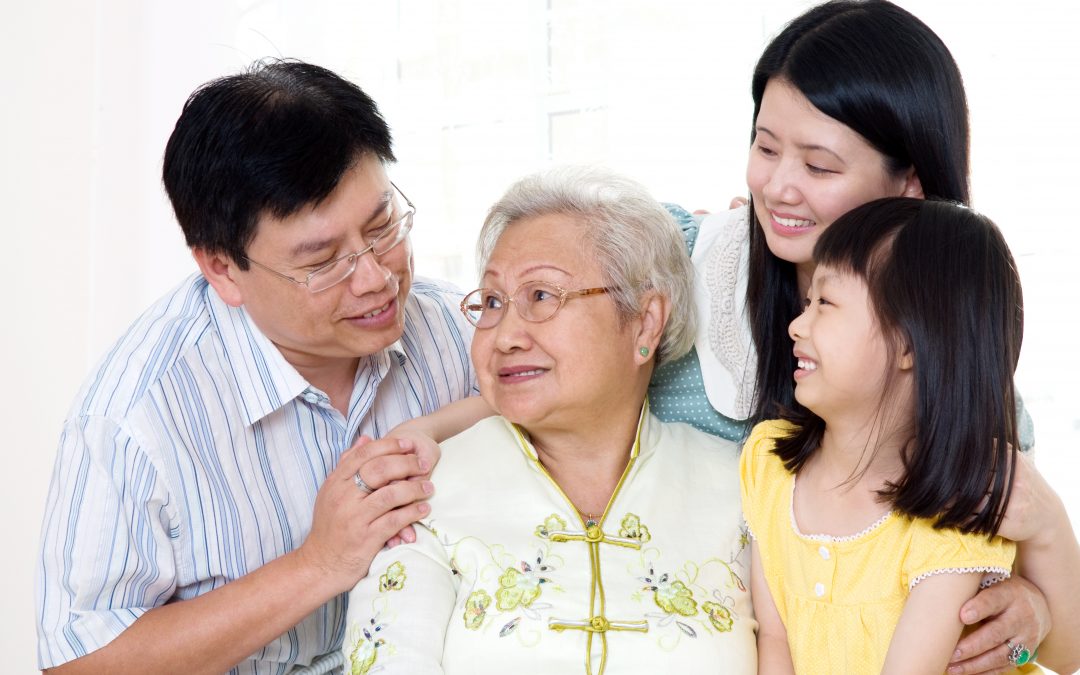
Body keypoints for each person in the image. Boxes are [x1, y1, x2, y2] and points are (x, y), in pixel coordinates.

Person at [646, 1, 1080, 671]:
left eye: (819, 166)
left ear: (911, 188)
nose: (778, 187)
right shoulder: (677, 263)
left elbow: (1059, 645)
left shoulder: (952, 376)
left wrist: (1035, 595)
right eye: (764, 147)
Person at [36, 60, 477, 674]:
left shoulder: (457, 328)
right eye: (323, 261)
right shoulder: (134, 417)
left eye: (382, 228)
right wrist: (318, 565)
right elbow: (80, 665)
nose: (378, 279)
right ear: (222, 269)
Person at [341, 167, 757, 674]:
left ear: (645, 320)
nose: (505, 334)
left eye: (542, 296)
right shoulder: (425, 495)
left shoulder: (746, 487)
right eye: (492, 302)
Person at [741, 197, 1063, 673]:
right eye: (808, 301)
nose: (796, 324)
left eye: (825, 303)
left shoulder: (955, 508)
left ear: (909, 344)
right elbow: (775, 641)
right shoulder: (768, 462)